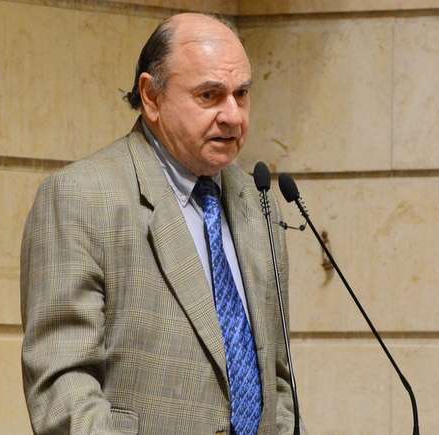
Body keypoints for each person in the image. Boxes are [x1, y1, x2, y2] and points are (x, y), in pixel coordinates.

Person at [20, 12, 299, 435]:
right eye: (210, 95)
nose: (233, 115)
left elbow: (277, 378)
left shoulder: (257, 203)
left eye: (241, 95)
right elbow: (64, 388)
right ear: (151, 97)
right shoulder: (82, 197)